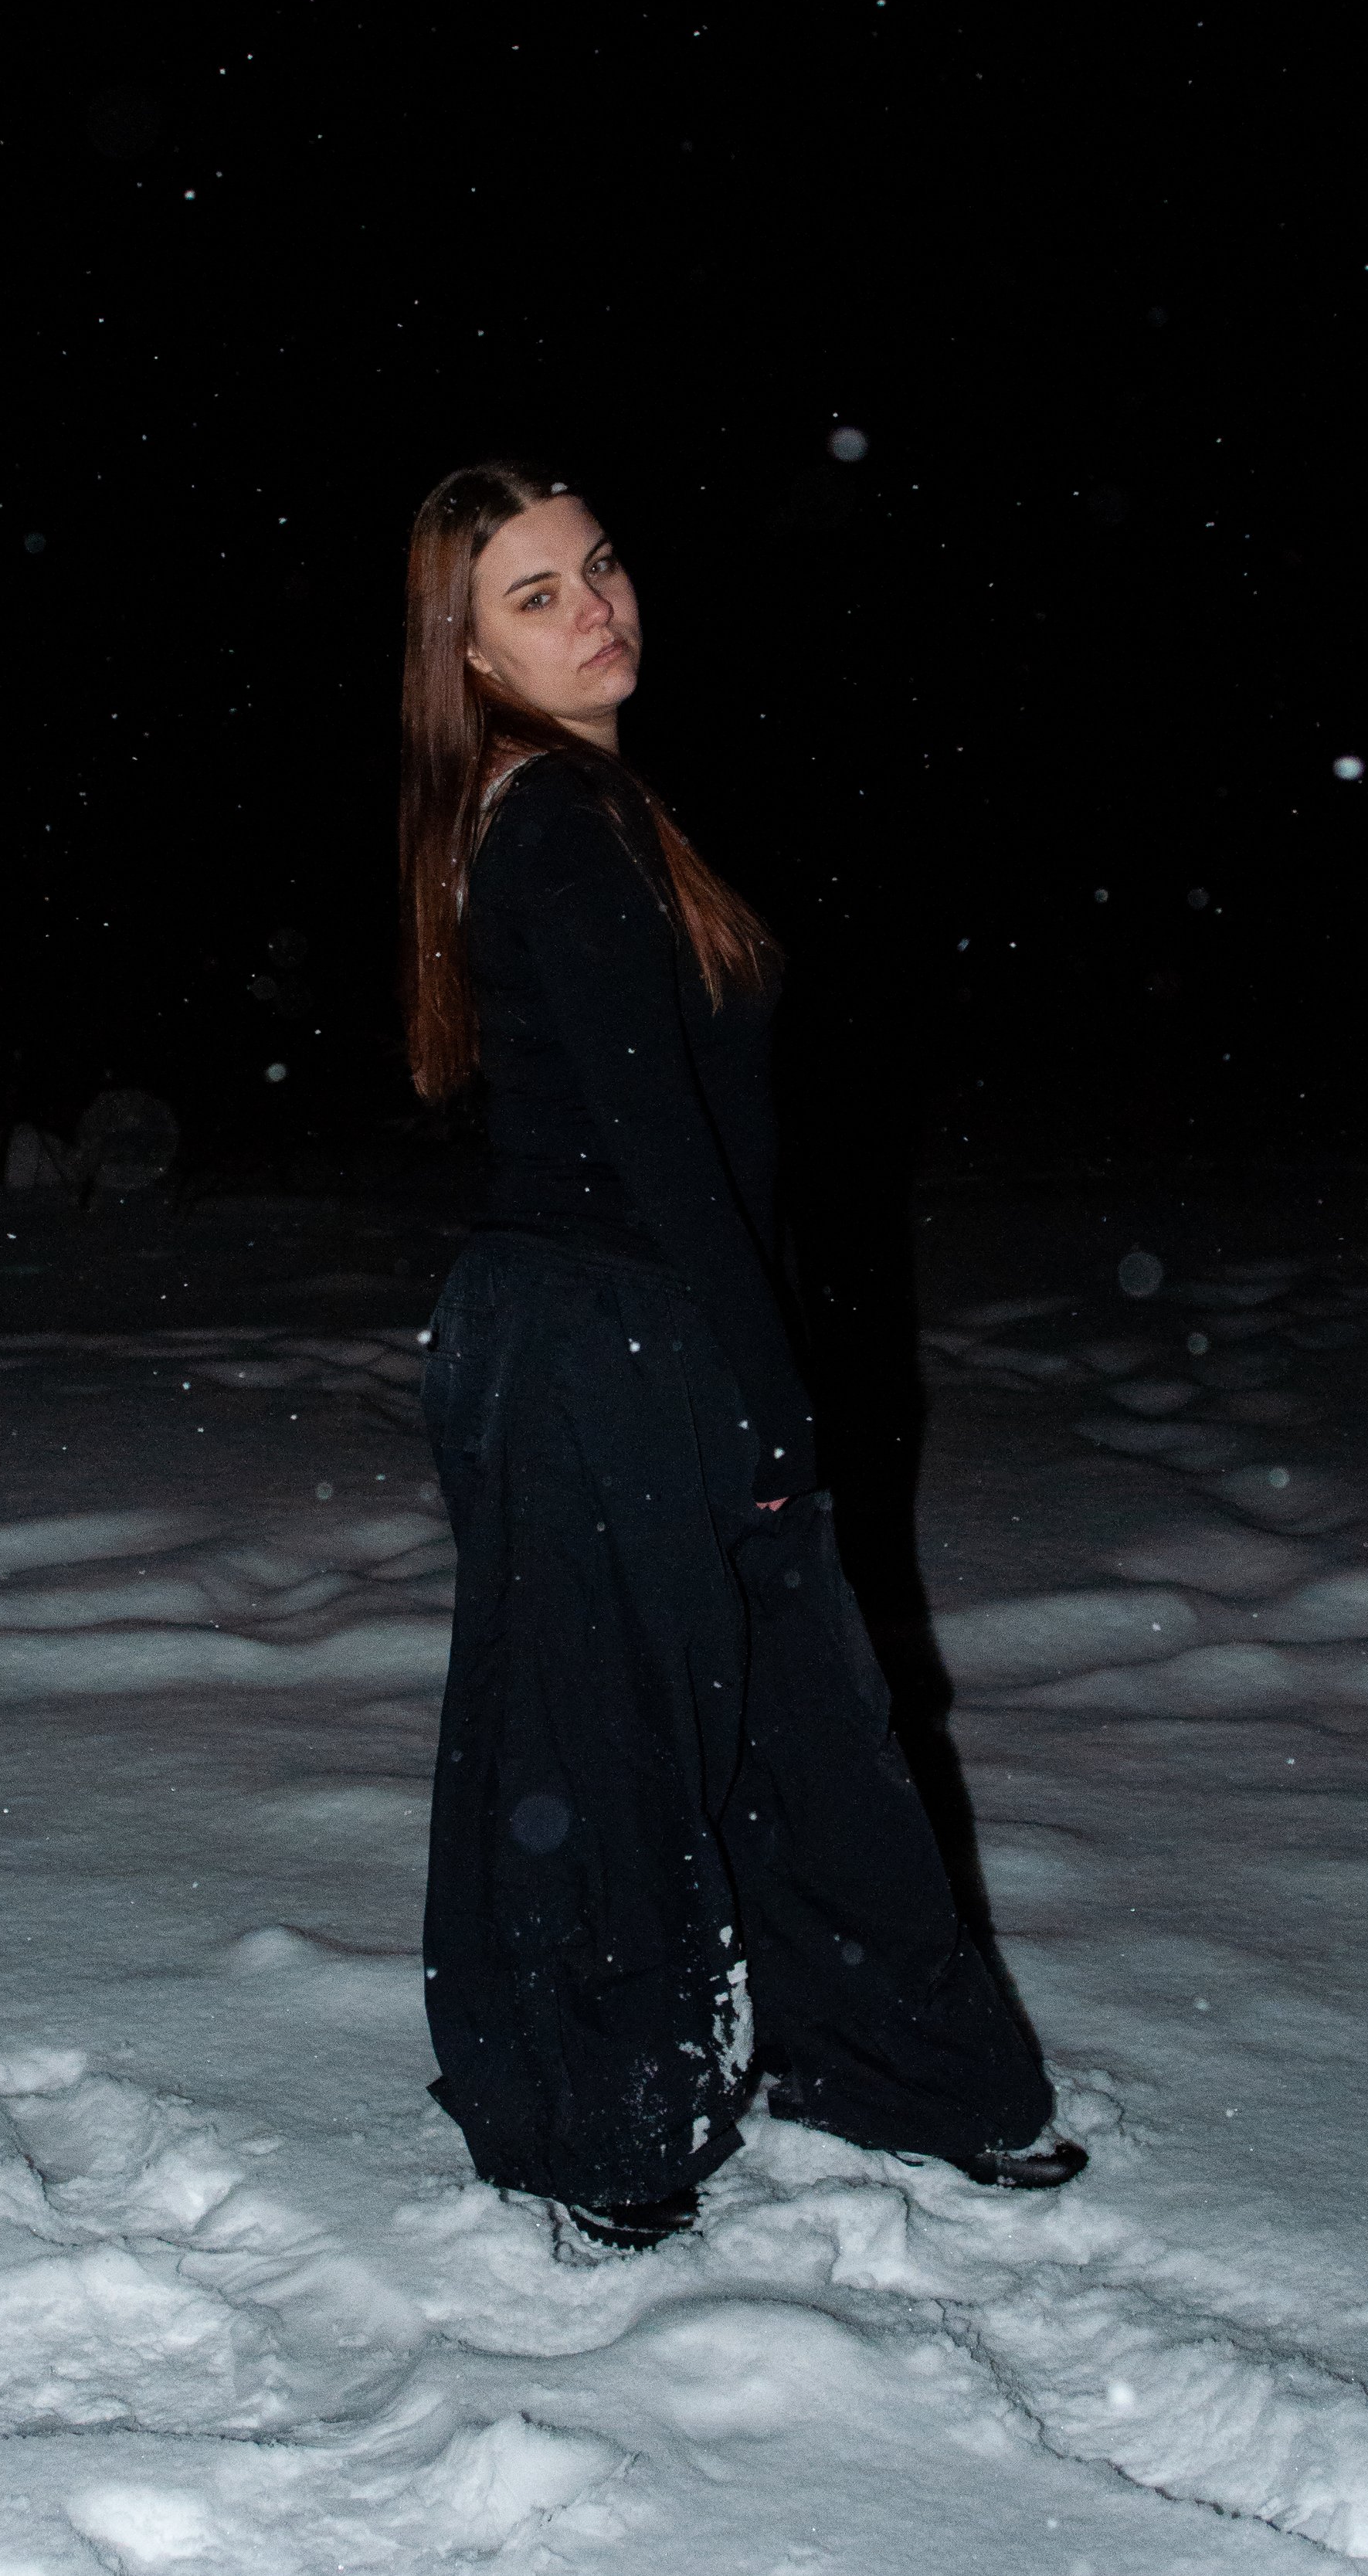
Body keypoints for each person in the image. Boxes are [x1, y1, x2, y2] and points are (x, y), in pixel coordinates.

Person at [398, 458, 1083, 2249]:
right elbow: (657, 1144)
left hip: (618, 1323)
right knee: (606, 1743)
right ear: (466, 655)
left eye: (599, 565)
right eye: (535, 595)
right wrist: (769, 1392)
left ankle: (896, 2070)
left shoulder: (583, 807)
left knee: (802, 1716)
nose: (594, 608)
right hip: (602, 1337)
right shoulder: (555, 821)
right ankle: (605, 2128)